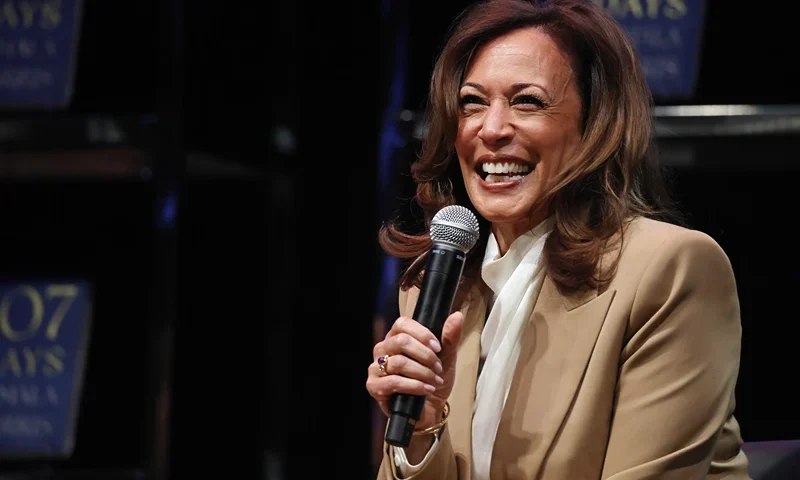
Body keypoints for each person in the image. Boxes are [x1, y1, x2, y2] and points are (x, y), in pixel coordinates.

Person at [365, 0, 750, 478]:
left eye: (527, 101)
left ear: (595, 125)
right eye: (472, 103)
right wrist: (423, 430)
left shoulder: (670, 269)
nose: (492, 128)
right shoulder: (436, 291)